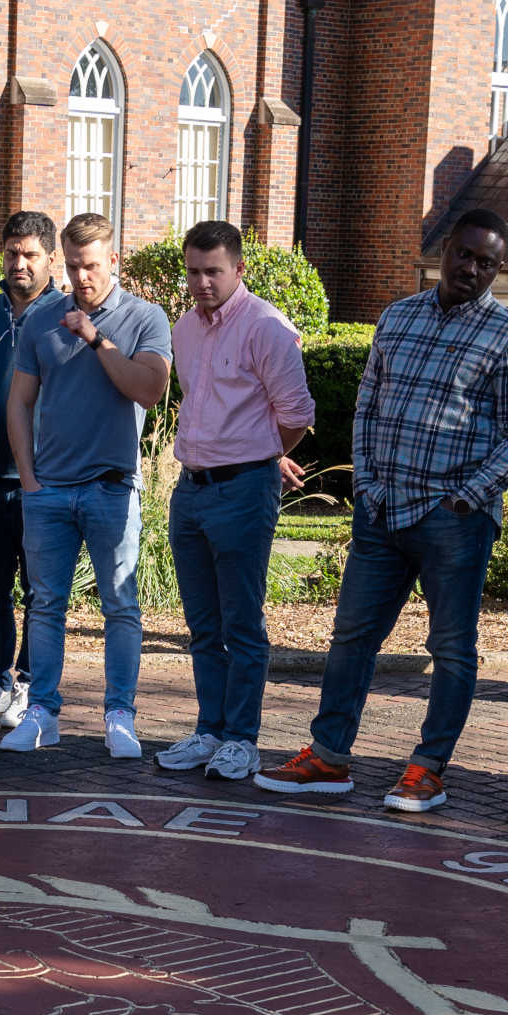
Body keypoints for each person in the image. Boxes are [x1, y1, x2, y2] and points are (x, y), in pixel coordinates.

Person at [256, 211, 508, 812]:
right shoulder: (399, 316)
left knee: (452, 648)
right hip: (382, 510)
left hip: (453, 522)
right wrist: (369, 482)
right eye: (464, 255)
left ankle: (428, 768)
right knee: (353, 637)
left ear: (498, 269)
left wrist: (467, 495)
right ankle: (329, 757)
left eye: (486, 263)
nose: (472, 269)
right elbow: (367, 405)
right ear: (444, 250)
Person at [1, 212, 172, 757]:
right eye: (73, 267)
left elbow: (148, 390)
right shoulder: (41, 319)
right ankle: (42, 712)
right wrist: (29, 480)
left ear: (114, 261)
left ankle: (119, 714)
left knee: (120, 607)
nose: (82, 278)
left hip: (112, 488)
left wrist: (96, 338)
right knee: (45, 603)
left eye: (92, 266)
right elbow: (19, 403)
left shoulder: (147, 319)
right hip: (48, 490)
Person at [158, 220, 313, 783]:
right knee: (202, 625)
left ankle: (241, 740)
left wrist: (260, 457)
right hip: (191, 490)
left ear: (239, 269)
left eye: (213, 272)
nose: (201, 282)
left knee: (241, 624)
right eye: (193, 271)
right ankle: (211, 729)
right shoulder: (185, 329)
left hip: (245, 489)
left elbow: (296, 414)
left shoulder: (267, 329)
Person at [0, 211, 61, 727]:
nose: (18, 264)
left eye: (29, 255)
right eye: (10, 253)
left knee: (40, 592)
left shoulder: (67, 314)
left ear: (50, 259)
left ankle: (27, 683)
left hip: (47, 481)